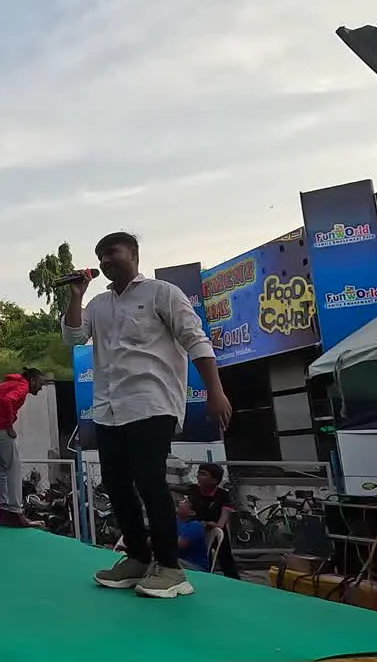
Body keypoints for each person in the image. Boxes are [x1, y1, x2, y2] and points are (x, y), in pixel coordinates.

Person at [62, 231, 232, 599]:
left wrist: (215, 391)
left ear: (134, 254)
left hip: (152, 401)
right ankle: (137, 558)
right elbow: (74, 338)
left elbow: (195, 339)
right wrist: (76, 295)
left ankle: (170, 569)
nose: (105, 261)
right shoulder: (99, 304)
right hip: (109, 407)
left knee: (148, 479)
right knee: (116, 482)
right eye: (100, 255)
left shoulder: (162, 292)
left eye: (112, 252)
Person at [0, 367, 47, 528]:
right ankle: (15, 511)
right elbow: (7, 400)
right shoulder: (22, 387)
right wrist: (9, 425)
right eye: (40, 383)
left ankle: (5, 510)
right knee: (14, 467)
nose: (41, 387)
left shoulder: (12, 383)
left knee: (3, 469)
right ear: (32, 380)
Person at [182, 462, 240, 579]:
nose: (198, 476)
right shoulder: (193, 490)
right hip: (196, 529)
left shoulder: (223, 495)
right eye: (198, 473)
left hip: (216, 527)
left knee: (225, 557)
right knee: (201, 556)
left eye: (203, 474)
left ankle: (234, 580)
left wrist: (217, 527)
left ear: (214, 480)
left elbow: (225, 514)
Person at [175, 496, 210, 572]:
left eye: (185, 502)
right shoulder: (177, 522)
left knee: (168, 560)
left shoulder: (195, 525)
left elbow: (178, 545)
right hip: (182, 562)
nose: (180, 502)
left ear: (192, 512)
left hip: (196, 567)